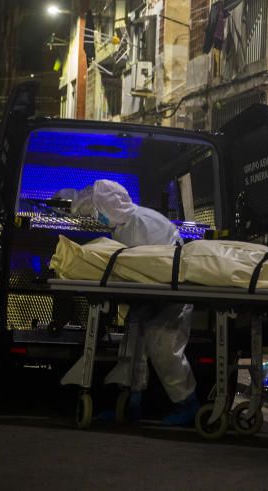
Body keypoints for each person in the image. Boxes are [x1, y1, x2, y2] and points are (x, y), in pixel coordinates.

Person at [91, 179, 201, 426]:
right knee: (132, 346)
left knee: (163, 346)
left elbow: (160, 264)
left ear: (109, 206)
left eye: (99, 208)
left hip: (170, 297)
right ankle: (131, 404)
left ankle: (188, 404)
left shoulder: (143, 222)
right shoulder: (124, 224)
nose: (98, 215)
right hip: (149, 297)